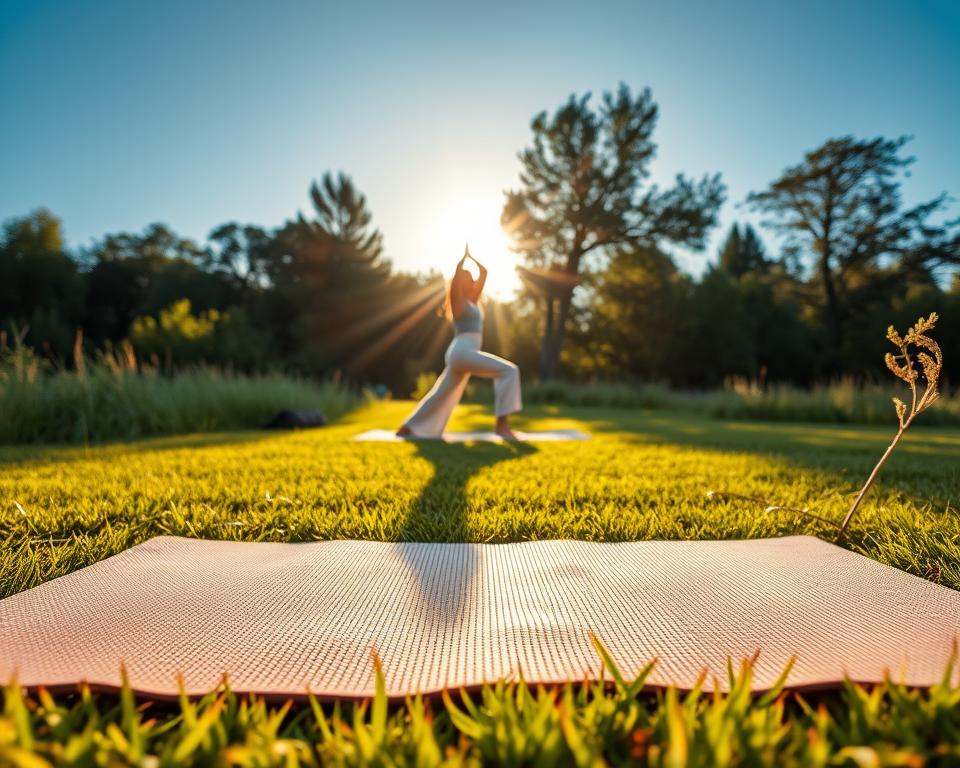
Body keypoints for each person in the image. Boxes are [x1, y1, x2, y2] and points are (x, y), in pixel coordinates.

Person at [397, 245, 522, 440]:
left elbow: (484, 272)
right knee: (509, 371)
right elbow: (455, 283)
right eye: (469, 280)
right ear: (460, 283)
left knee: (440, 393)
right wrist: (460, 264)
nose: (474, 281)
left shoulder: (472, 301)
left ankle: (408, 426)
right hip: (462, 352)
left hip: (461, 353)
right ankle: (502, 426)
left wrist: (471, 257)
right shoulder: (458, 303)